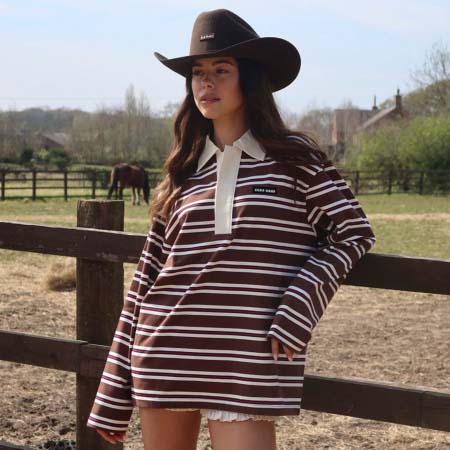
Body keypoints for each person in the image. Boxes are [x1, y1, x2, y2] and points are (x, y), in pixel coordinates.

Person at [86, 8, 376, 450]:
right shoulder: (183, 170)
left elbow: (352, 233)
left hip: (248, 355)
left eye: (221, 70)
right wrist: (112, 391)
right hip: (165, 350)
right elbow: (146, 279)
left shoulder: (295, 158)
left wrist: (299, 304)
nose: (207, 83)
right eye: (197, 73)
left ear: (250, 79)